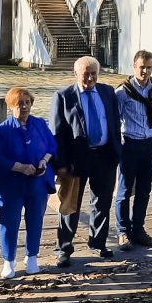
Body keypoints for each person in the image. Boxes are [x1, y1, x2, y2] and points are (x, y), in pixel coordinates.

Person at [49, 55, 122, 266]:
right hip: (76, 159)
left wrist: (116, 151)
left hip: (104, 155)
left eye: (93, 74)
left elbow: (114, 121)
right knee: (70, 204)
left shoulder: (107, 92)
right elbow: (57, 133)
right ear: (76, 74)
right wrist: (60, 163)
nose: (90, 78)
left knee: (102, 202)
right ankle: (63, 248)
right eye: (85, 74)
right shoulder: (63, 96)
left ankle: (98, 243)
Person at [0, 88, 57, 278]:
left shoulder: (39, 124)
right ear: (11, 107)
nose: (25, 106)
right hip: (11, 184)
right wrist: (19, 167)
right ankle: (9, 261)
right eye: (20, 103)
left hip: (37, 182)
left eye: (27, 102)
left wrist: (44, 161)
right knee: (9, 221)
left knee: (35, 219)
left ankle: (32, 256)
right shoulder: (3, 130)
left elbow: (52, 145)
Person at [114, 50, 152, 249]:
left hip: (149, 143)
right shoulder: (123, 91)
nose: (145, 71)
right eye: (142, 67)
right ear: (134, 66)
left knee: (144, 190)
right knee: (124, 191)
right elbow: (115, 120)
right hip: (129, 143)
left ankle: (138, 229)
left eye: (149, 67)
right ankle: (123, 232)